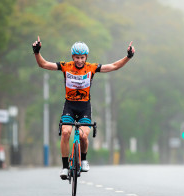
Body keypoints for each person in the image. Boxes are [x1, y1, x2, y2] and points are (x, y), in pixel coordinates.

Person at [32, 36, 135, 179]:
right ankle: (65, 167)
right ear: (72, 57)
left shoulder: (91, 68)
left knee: (83, 135)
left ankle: (84, 159)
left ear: (86, 57)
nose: (79, 61)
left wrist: (128, 57)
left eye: (82, 57)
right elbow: (43, 64)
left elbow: (113, 66)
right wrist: (37, 52)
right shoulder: (65, 66)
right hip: (69, 105)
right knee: (66, 132)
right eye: (76, 57)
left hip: (84, 107)